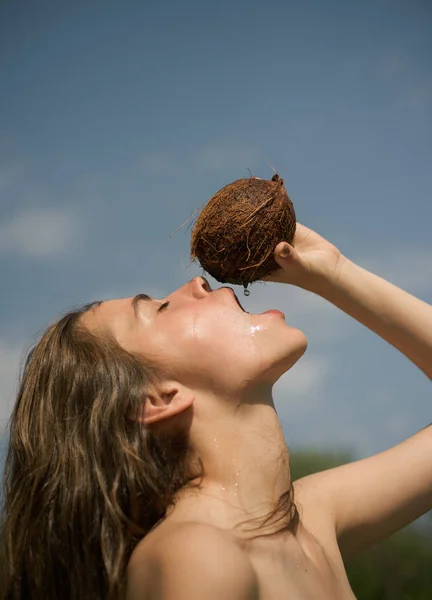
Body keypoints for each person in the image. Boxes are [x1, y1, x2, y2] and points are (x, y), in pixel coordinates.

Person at [1, 224, 431, 600]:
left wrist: (334, 272)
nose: (197, 283)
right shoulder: (196, 555)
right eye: (159, 309)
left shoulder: (308, 520)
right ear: (159, 399)